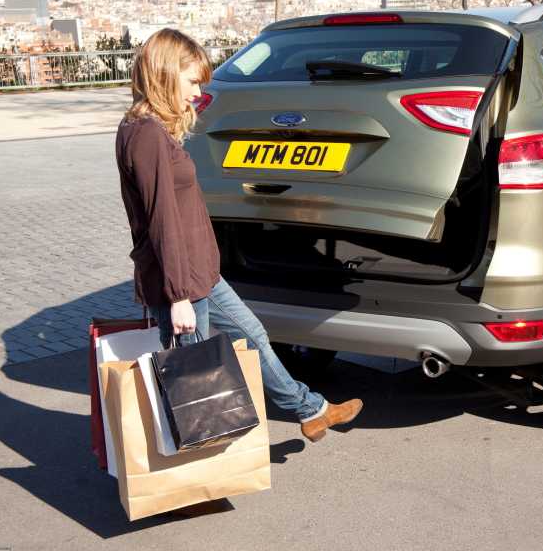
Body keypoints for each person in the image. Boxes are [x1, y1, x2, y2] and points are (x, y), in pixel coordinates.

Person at [114, 28, 362, 443]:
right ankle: (193, 467)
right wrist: (177, 296)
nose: (197, 93)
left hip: (201, 274)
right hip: (183, 282)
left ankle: (311, 410)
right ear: (165, 74)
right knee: (194, 386)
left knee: (253, 335)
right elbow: (162, 220)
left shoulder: (152, 130)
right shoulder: (145, 136)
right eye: (192, 81)